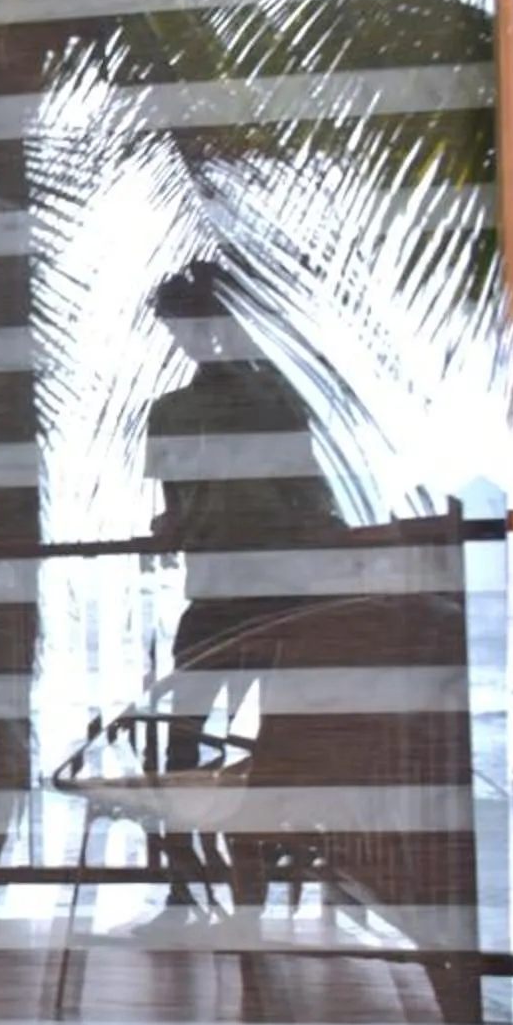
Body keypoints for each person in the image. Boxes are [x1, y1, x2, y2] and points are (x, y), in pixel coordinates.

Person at [141, 259, 345, 913]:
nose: (192, 336)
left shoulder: (247, 403)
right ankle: (208, 872)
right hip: (248, 593)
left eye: (194, 322)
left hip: (264, 594)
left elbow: (301, 494)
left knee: (240, 738)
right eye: (181, 325)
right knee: (234, 737)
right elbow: (303, 496)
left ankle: (216, 872)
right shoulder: (182, 411)